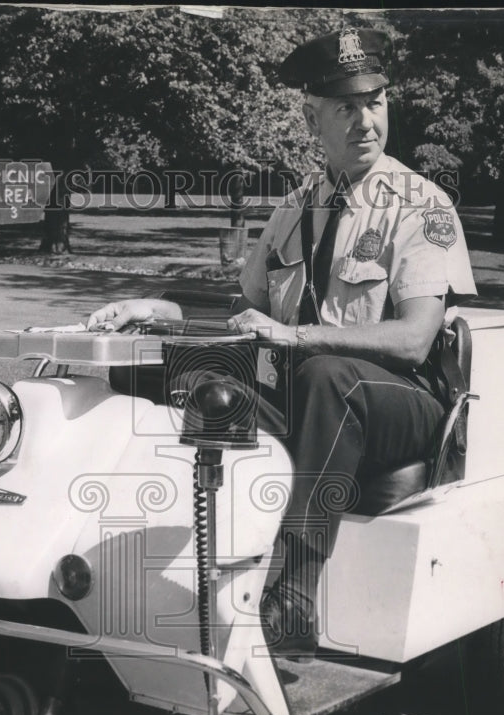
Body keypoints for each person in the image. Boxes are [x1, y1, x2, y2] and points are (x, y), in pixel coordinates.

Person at [87, 27, 477, 658]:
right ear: (312, 117)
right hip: (309, 391)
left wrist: (292, 335)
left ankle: (294, 597)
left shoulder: (421, 206)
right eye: (345, 108)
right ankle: (120, 558)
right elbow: (247, 314)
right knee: (160, 373)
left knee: (327, 374)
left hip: (404, 404)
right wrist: (163, 311)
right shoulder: (296, 207)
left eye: (375, 102)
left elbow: (413, 340)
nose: (364, 121)